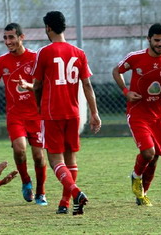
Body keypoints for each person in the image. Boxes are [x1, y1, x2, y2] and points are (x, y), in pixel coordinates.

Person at [32, 11, 102, 215]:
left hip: (52, 113)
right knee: (71, 160)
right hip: (74, 113)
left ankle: (75, 192)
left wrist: (38, 107)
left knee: (55, 161)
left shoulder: (44, 52)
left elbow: (37, 86)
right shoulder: (78, 52)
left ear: (48, 28)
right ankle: (65, 202)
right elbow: (87, 84)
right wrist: (95, 113)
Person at [112, 23, 161, 206]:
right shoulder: (136, 58)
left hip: (159, 116)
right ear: (149, 39)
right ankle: (135, 177)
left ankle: (142, 195)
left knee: (155, 157)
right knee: (148, 152)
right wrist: (126, 92)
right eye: (157, 40)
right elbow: (116, 71)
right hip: (138, 113)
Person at [0, 23, 47, 205]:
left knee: (39, 156)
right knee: (19, 149)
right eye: (5, 38)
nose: (8, 41)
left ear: (21, 37)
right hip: (15, 115)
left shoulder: (35, 58)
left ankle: (41, 192)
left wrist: (28, 85)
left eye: (12, 37)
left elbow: (44, 85)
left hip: (36, 115)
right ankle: (25, 181)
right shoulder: (1, 61)